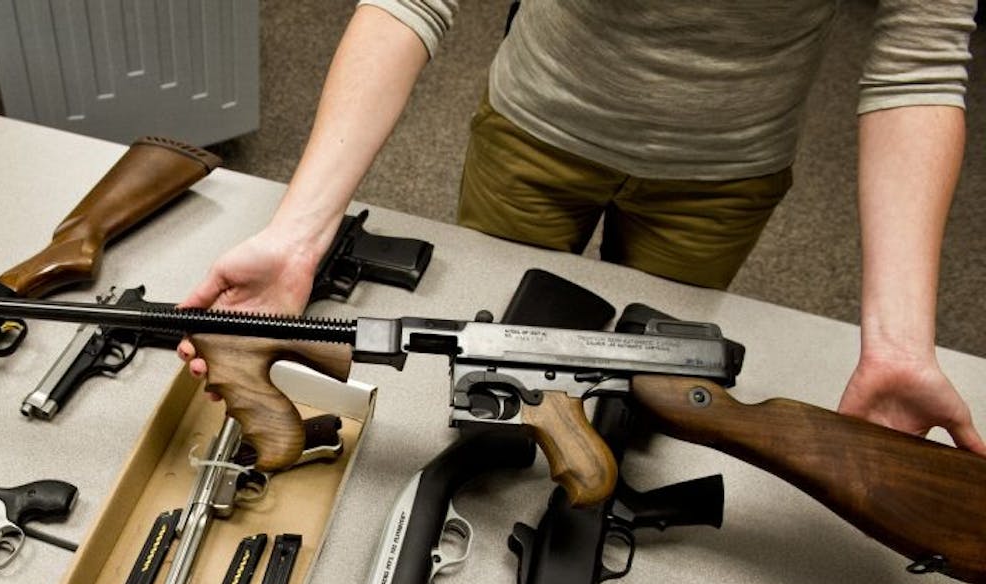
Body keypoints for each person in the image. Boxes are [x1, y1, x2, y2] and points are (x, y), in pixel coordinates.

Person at [177, 1, 985, 453]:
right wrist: (297, 236)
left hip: (728, 171)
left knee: (657, 394)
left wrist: (899, 346)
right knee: (499, 332)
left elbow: (919, 64)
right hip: (536, 129)